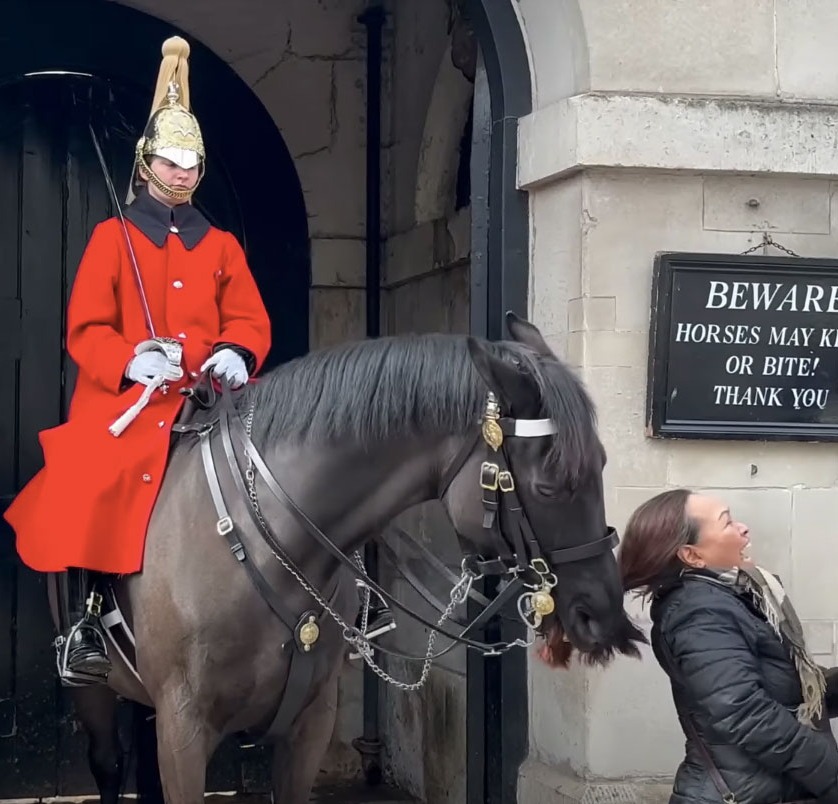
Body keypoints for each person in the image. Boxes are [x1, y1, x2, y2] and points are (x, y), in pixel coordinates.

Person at [2, 36, 272, 686]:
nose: (181, 174)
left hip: (212, 398)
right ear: (146, 163)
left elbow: (250, 319)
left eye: (191, 164)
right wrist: (131, 360)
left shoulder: (223, 246)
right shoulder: (111, 238)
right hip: (130, 403)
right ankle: (89, 620)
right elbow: (85, 329)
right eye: (170, 162)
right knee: (92, 477)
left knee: (278, 472)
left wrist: (238, 353)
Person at [618, 489, 838, 804]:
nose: (743, 527)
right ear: (692, 556)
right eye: (727, 522)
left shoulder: (731, 597)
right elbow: (747, 715)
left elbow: (794, 693)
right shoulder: (699, 613)